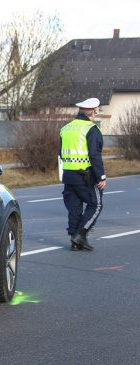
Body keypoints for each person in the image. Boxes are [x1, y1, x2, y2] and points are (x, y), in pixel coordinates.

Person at [59, 97, 106, 251]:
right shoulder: (91, 129)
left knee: (74, 208)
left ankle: (75, 243)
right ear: (92, 112)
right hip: (85, 176)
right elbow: (95, 155)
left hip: (68, 175)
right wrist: (101, 176)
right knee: (96, 205)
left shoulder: (65, 128)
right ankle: (80, 234)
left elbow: (61, 152)